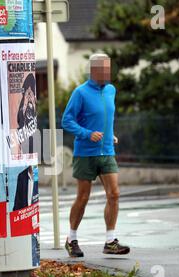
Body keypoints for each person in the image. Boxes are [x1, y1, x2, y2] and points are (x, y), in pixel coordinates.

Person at [61, 53, 130, 257]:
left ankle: (110, 241)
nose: (108, 73)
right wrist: (87, 134)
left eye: (109, 68)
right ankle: (71, 239)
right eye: (104, 69)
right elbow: (67, 120)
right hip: (85, 153)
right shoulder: (80, 93)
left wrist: (110, 134)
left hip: (107, 151)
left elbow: (104, 117)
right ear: (94, 70)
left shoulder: (111, 90)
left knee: (114, 194)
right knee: (83, 197)